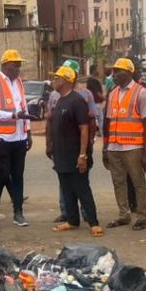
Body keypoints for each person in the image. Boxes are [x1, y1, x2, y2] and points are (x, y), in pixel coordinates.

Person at [47, 65, 101, 236]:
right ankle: (72, 220)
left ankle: (93, 222)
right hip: (61, 155)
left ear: (65, 81)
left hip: (74, 153)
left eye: (56, 78)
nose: (53, 81)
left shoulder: (77, 101)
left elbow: (84, 129)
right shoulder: (60, 100)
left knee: (82, 188)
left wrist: (83, 154)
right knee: (67, 188)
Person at [0, 49, 33, 232]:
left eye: (19, 65)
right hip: (1, 137)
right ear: (4, 65)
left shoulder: (18, 82)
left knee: (18, 176)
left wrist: (28, 132)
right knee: (2, 174)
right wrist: (13, 115)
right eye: (14, 65)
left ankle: (18, 212)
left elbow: (23, 107)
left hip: (19, 137)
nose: (18, 69)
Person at [102, 57, 146, 230]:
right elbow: (109, 122)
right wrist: (105, 147)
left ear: (129, 72)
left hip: (133, 146)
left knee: (138, 182)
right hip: (114, 146)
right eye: (114, 71)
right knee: (118, 182)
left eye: (118, 71)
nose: (114, 74)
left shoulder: (141, 92)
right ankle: (123, 215)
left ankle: (141, 216)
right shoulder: (113, 93)